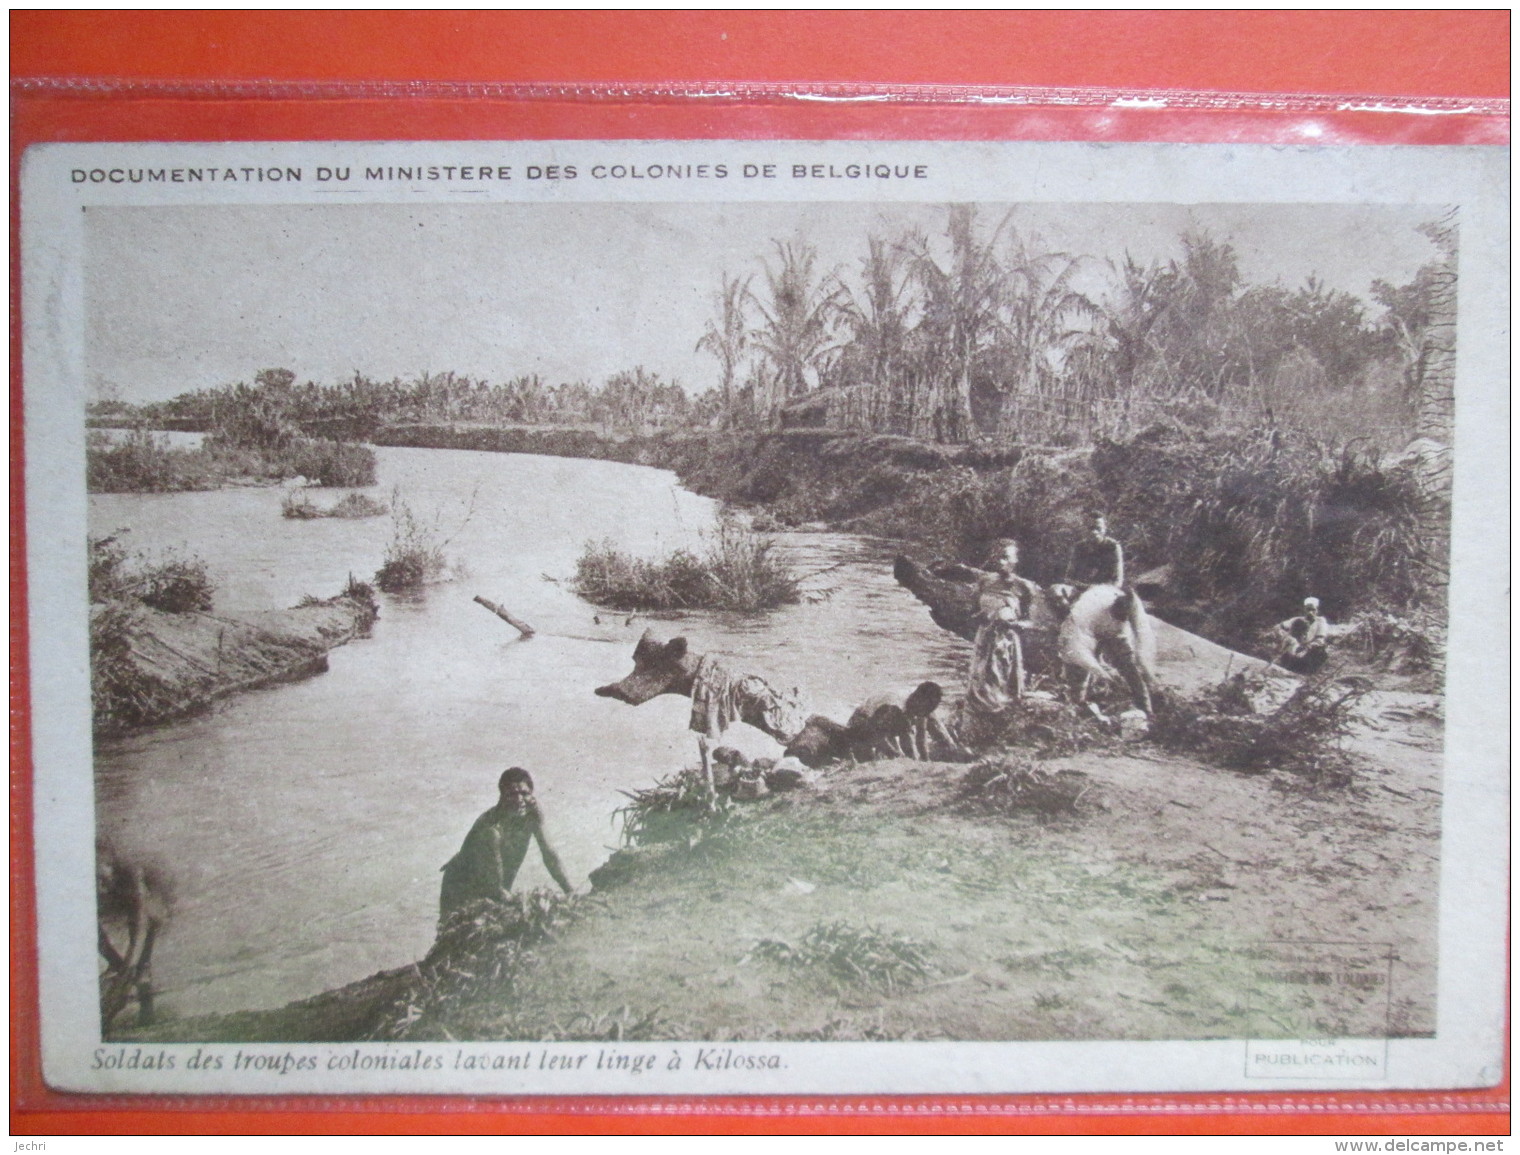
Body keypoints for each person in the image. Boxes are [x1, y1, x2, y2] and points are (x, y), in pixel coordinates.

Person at [439, 767, 573, 921]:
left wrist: (570, 892)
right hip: (461, 884)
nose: (519, 800)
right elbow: (495, 889)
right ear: (501, 797)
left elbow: (550, 856)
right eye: (512, 794)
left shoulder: (533, 813)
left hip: (495, 883)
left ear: (531, 794)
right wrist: (525, 904)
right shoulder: (492, 830)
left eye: (524, 793)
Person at [966, 539, 1043, 714]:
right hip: (985, 637)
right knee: (980, 682)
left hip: (1007, 640)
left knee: (1004, 683)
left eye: (1006, 557)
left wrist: (1012, 622)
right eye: (998, 557)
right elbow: (971, 613)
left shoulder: (1024, 587)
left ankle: (1003, 717)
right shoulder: (984, 581)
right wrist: (985, 616)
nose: (1001, 562)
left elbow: (1031, 621)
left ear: (1015, 560)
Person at [1064, 510, 1125, 591]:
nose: (1094, 532)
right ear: (1085, 529)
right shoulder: (1079, 547)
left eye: (1098, 528)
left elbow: (1118, 581)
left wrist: (1097, 590)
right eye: (1090, 528)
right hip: (1081, 590)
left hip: (1105, 593)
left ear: (1105, 529)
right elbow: (1068, 578)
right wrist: (1086, 587)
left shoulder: (1113, 546)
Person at [1275, 596, 1330, 674]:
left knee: (1319, 653)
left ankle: (1306, 671)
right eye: (1308, 609)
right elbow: (1278, 627)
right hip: (1294, 647)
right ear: (1304, 609)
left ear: (1317, 610)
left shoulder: (1320, 622)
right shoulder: (1298, 619)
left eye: (1313, 610)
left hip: (1309, 648)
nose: (1310, 612)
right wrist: (1285, 636)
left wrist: (1307, 647)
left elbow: (1320, 639)